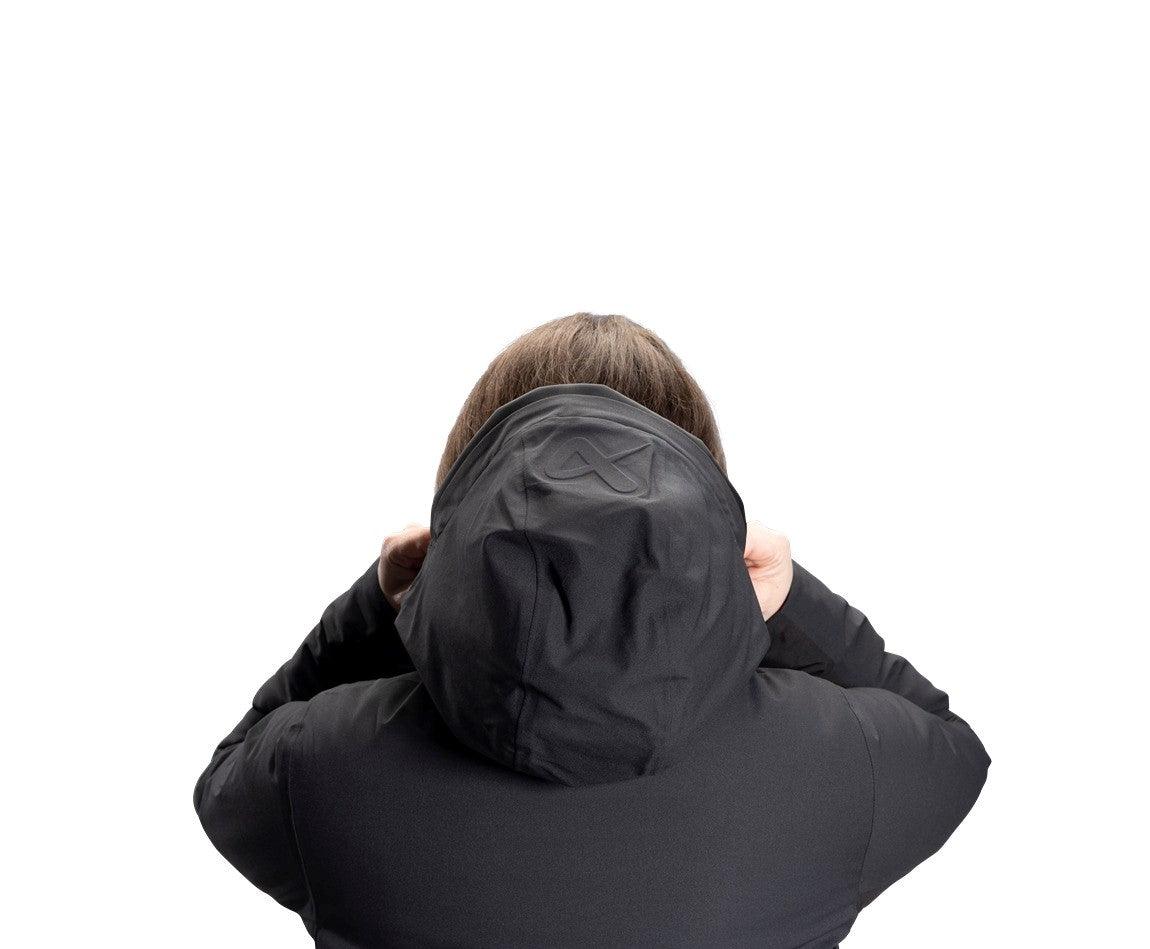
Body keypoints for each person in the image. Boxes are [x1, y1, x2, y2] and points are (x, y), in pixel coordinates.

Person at [194, 313, 989, 948]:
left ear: (463, 505)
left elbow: (229, 778)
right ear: (705, 506)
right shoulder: (838, 766)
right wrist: (778, 600)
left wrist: (384, 603)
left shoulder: (324, 769)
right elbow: (952, 748)